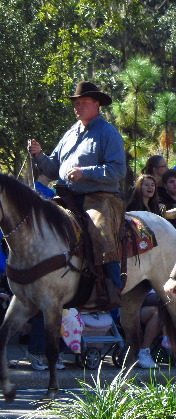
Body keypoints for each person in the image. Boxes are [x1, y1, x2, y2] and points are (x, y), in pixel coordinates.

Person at [28, 80, 126, 305]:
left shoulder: (107, 133)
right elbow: (53, 168)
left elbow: (118, 170)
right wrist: (38, 154)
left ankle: (113, 285)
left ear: (96, 104)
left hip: (100, 198)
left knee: (99, 228)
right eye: (76, 102)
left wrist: (85, 172)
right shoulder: (70, 133)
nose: (77, 106)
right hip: (66, 196)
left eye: (83, 102)